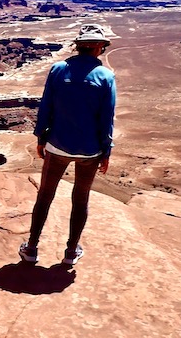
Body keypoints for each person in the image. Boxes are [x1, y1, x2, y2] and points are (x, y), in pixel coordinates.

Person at [19, 23, 116, 266]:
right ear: (98, 48)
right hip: (90, 151)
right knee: (80, 199)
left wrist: (41, 137)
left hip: (57, 146)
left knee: (45, 196)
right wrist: (106, 152)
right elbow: (107, 119)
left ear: (79, 46)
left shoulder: (58, 69)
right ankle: (71, 252)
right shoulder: (105, 76)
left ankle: (31, 248)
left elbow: (45, 107)